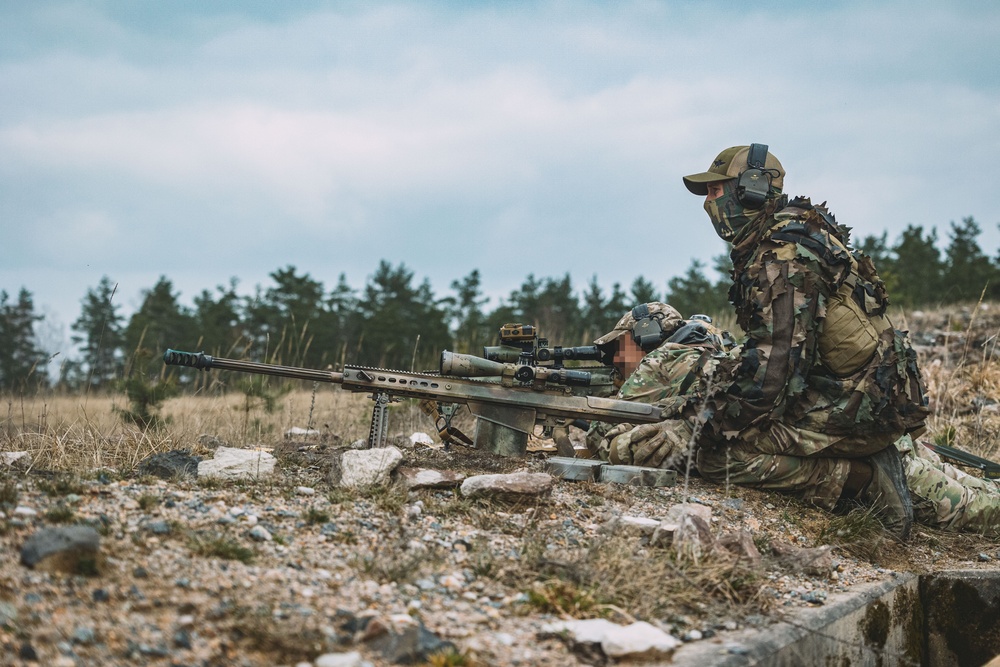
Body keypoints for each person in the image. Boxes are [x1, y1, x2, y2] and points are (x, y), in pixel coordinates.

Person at [591, 304, 1000, 537]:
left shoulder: (666, 361)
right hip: (868, 436)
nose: (615, 365)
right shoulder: (725, 355)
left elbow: (606, 435)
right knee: (983, 493)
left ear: (645, 340)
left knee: (973, 511)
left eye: (618, 352)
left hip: (868, 455)